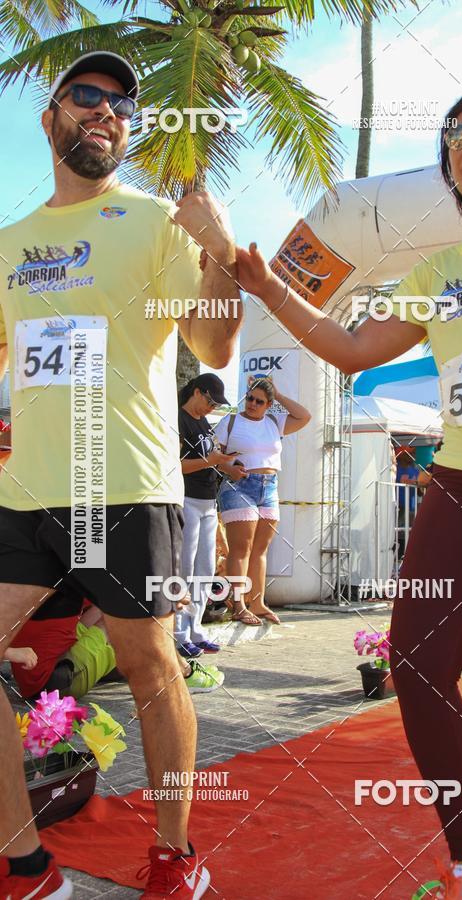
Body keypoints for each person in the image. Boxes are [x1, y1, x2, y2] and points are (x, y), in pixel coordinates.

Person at [235, 91, 462, 899]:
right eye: (457, 133)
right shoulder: (434, 271)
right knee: (416, 661)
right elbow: (353, 346)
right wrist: (271, 290)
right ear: (448, 160)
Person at [0, 51, 241, 899]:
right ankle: (29, 865)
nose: (106, 111)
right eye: (87, 96)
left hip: (128, 483)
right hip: (26, 490)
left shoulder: (153, 221)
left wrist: (216, 253)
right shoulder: (9, 244)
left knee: (148, 665)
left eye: (121, 104)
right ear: (51, 119)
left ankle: (176, 857)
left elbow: (212, 346)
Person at [213, 377, 311, 625]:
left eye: (259, 401)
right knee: (240, 549)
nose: (252, 404)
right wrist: (229, 468)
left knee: (260, 549)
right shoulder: (230, 421)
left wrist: (277, 394)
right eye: (249, 398)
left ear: (269, 404)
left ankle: (257, 603)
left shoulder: (274, 422)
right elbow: (215, 455)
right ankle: (238, 605)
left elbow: (304, 416)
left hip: (269, 487)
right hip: (239, 485)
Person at [176, 372, 239, 658]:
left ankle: (195, 627)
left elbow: (212, 457)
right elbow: (176, 465)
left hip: (207, 500)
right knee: (184, 568)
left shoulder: (202, 422)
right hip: (187, 498)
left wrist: (229, 466)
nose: (212, 409)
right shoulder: (180, 418)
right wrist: (211, 461)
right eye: (211, 402)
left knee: (205, 568)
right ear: (198, 392)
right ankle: (178, 631)